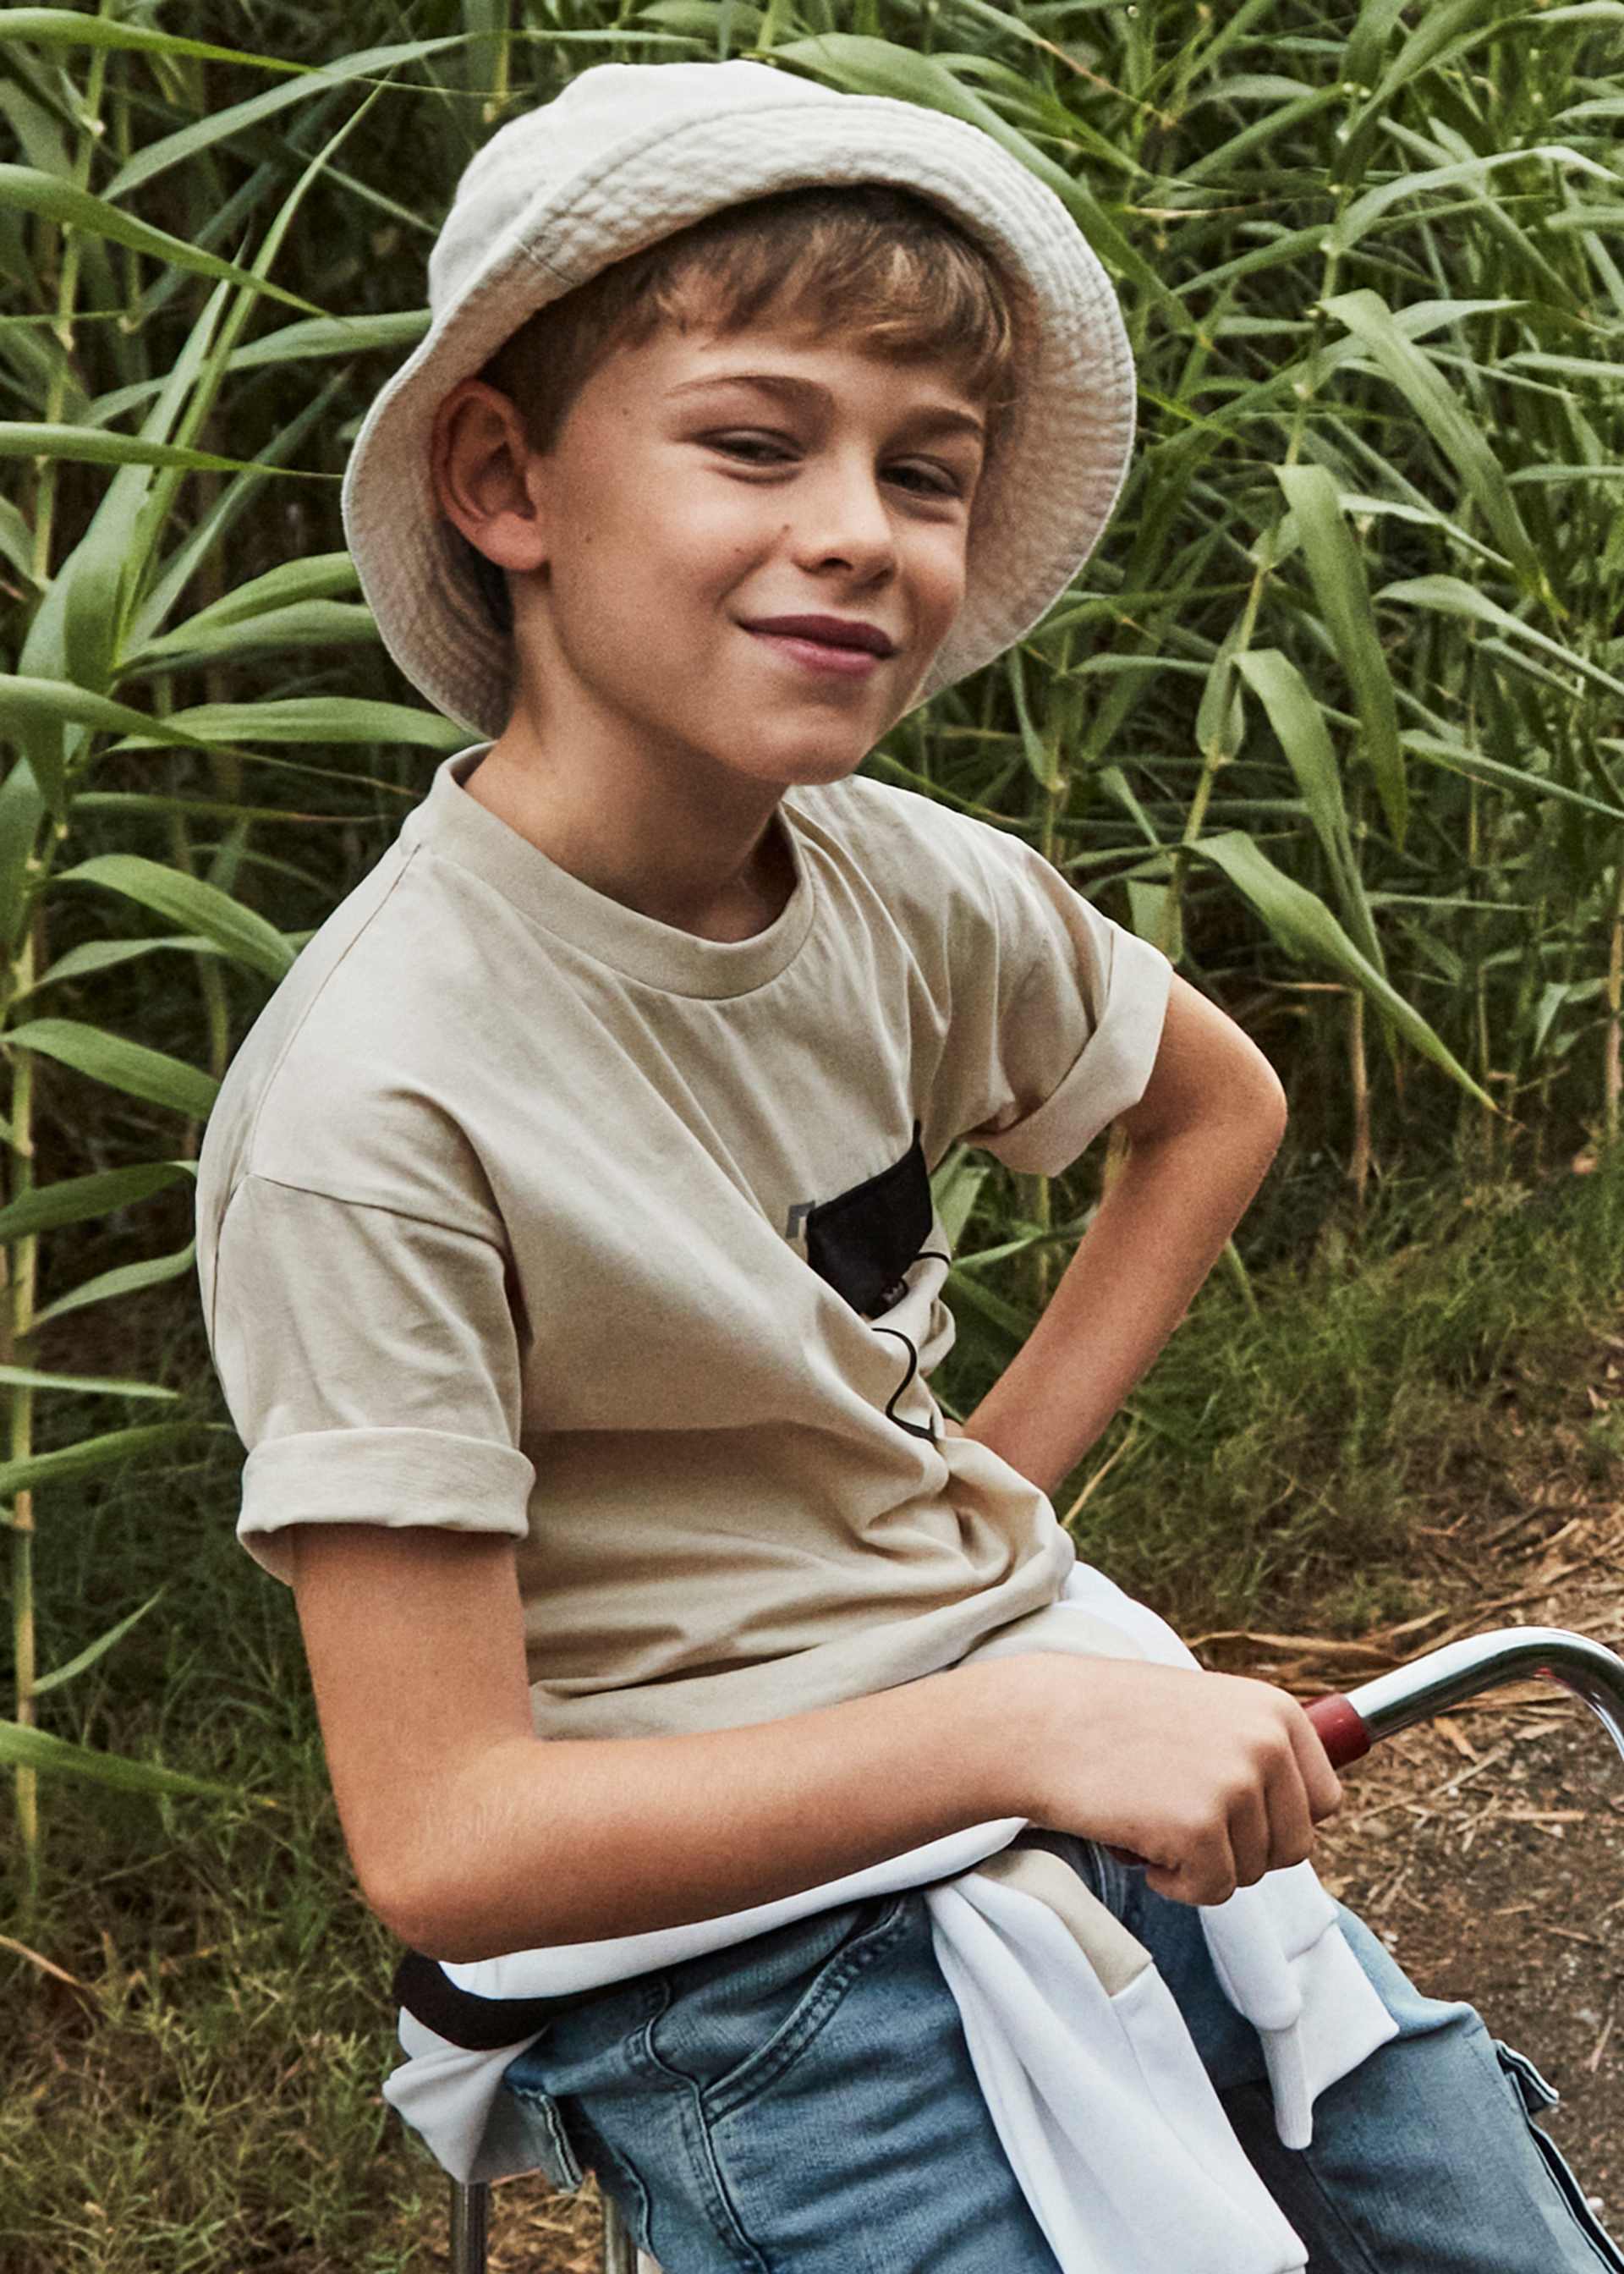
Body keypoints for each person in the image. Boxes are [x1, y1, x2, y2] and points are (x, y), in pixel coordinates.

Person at [194, 55, 1624, 2274]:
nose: (862, 526)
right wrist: (1009, 1724)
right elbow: (452, 1842)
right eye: (756, 441)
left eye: (926, 472)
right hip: (733, 1961)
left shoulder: (907, 891)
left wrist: (997, 1538)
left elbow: (1211, 1106)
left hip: (1049, 1733)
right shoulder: (374, 1111)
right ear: (508, 476)